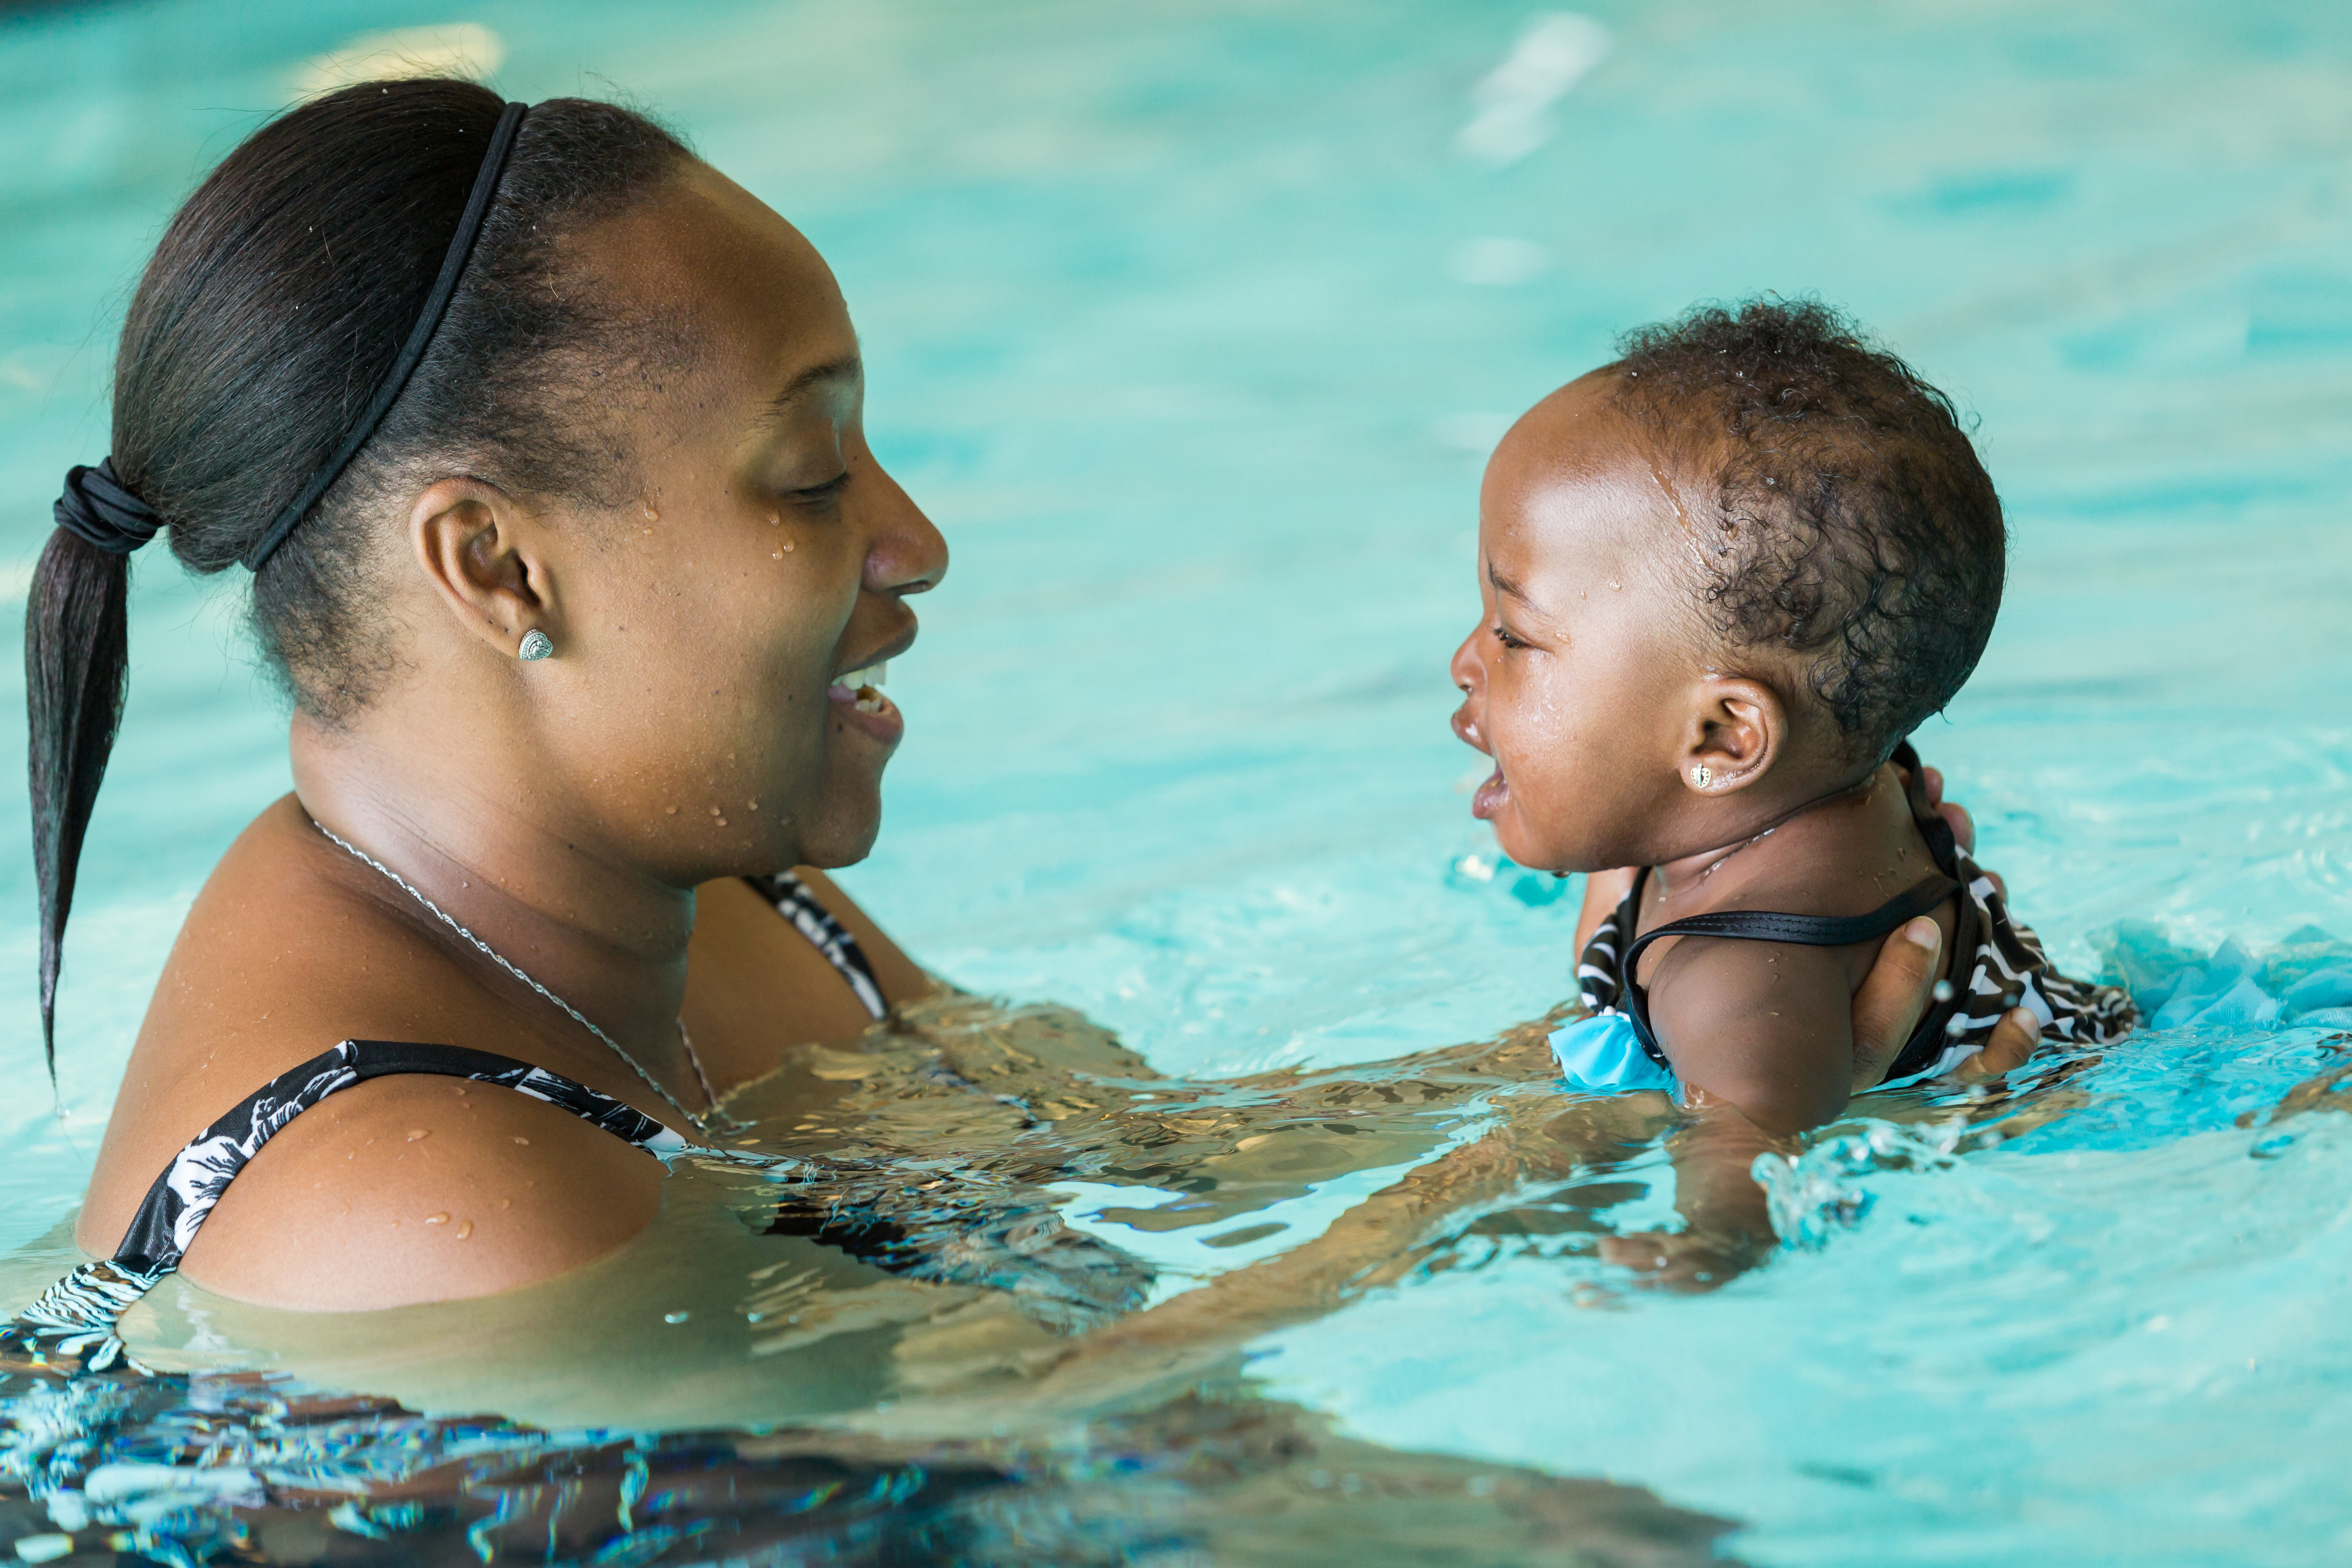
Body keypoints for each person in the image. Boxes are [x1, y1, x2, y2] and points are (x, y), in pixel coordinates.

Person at [11, 85, 2034, 1370]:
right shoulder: (415, 1206)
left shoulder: (709, 885)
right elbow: (1023, 1464)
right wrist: (1523, 1186)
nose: (918, 540)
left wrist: (1670, 1022)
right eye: (811, 479)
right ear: (500, 573)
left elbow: (1125, 1158)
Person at [1446, 298, 2135, 1284]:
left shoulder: (1737, 975)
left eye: (1513, 634)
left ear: (1724, 738)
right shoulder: (1838, 782)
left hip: (2086, 1113)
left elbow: (1749, 1144)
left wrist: (1706, 1244)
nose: (1468, 661)